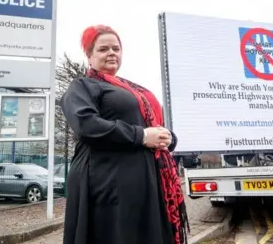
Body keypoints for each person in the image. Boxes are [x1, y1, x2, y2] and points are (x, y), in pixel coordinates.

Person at [60, 25, 189, 244]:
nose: (111, 53)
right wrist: (140, 136)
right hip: (108, 185)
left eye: (116, 48)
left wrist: (167, 137)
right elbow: (86, 124)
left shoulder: (132, 88)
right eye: (103, 49)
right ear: (89, 56)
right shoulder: (82, 86)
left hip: (147, 181)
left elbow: (151, 125)